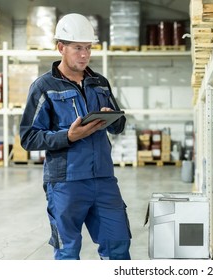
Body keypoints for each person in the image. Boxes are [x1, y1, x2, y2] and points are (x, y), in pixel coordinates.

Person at [19, 13, 131, 260]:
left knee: (118, 245)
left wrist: (112, 118)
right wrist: (68, 136)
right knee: (68, 251)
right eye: (78, 48)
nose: (84, 54)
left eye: (88, 48)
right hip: (65, 182)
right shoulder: (44, 87)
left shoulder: (99, 82)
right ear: (61, 47)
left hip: (103, 179)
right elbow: (28, 138)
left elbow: (119, 126)